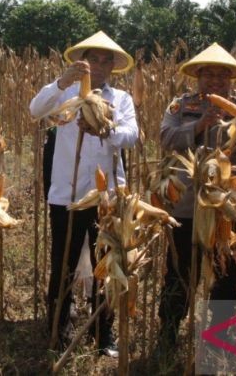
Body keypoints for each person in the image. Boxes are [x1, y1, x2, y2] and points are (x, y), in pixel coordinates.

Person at [29, 31, 138, 356]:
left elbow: (132, 135)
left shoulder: (121, 99)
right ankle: (57, 331)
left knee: (107, 265)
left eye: (107, 60)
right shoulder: (65, 93)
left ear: (114, 67)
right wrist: (61, 82)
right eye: (94, 59)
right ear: (83, 61)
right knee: (62, 265)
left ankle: (103, 333)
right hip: (68, 194)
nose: (100, 65)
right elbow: (35, 110)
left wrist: (106, 130)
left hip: (108, 198)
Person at [156, 43, 236, 351]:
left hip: (227, 208)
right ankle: (168, 334)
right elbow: (165, 138)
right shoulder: (181, 105)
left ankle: (220, 338)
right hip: (188, 204)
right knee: (179, 273)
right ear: (198, 77)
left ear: (231, 79)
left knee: (227, 275)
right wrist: (199, 125)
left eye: (222, 75)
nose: (216, 81)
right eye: (209, 75)